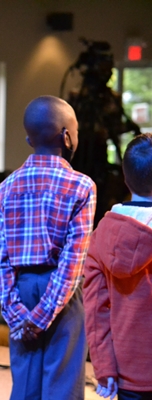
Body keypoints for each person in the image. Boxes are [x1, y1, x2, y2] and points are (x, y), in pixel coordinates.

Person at [0, 95, 96, 400]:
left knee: (24, 385)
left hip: (21, 289)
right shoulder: (82, 185)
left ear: (28, 139)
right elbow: (73, 261)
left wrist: (14, 313)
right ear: (67, 137)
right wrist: (44, 314)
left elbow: (0, 257)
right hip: (61, 293)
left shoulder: (6, 186)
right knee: (62, 385)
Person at [84, 133, 152, 400]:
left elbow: (95, 309)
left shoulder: (102, 236)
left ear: (124, 178)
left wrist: (104, 368)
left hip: (126, 372)